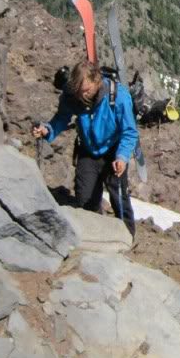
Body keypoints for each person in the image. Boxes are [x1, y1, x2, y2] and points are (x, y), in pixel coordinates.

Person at [33, 60, 137, 236]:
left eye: (87, 91)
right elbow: (61, 118)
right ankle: (95, 234)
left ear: (97, 81)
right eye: (80, 92)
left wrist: (122, 157)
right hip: (88, 150)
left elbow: (129, 131)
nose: (83, 96)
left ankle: (127, 236)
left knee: (119, 197)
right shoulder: (73, 95)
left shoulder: (119, 96)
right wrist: (47, 130)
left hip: (114, 150)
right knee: (85, 198)